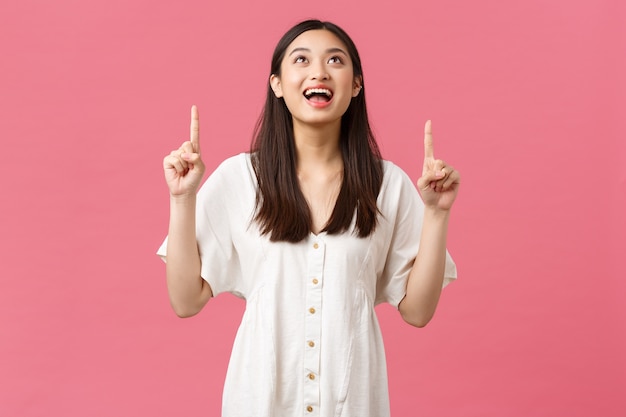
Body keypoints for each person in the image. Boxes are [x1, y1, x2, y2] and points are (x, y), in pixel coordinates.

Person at [158, 19, 460, 417]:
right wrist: (182, 200)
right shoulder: (240, 179)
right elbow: (185, 300)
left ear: (355, 84)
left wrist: (436, 216)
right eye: (301, 60)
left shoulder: (388, 185)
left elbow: (418, 312)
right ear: (277, 84)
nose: (319, 71)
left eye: (335, 60)